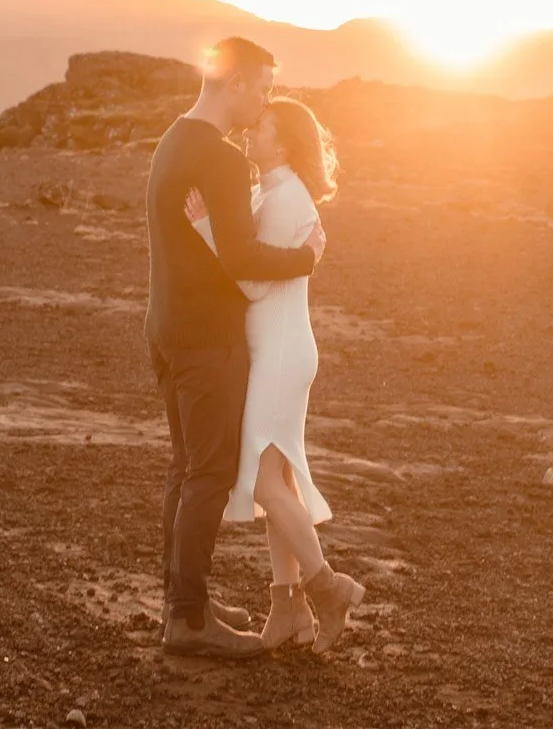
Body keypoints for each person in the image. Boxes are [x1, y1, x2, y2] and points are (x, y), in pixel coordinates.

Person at [144, 36, 327, 658]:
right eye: (265, 88)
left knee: (183, 466)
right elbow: (243, 258)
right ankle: (189, 620)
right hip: (206, 340)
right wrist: (307, 257)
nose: (267, 101)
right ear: (238, 83)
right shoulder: (221, 160)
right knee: (211, 474)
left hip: (165, 328)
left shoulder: (172, 140)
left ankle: (181, 598)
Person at [187, 96, 366, 652]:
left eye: (261, 128)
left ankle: (328, 588)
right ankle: (288, 613)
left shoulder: (288, 195)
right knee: (278, 485)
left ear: (283, 141)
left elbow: (255, 283)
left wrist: (207, 230)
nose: (249, 134)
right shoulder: (268, 189)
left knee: (264, 481)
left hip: (282, 352)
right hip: (275, 348)